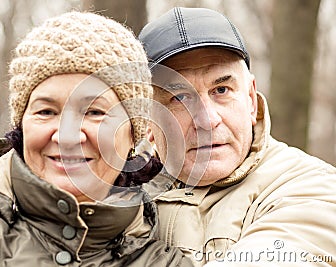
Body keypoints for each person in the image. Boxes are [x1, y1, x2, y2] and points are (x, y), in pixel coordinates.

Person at [0, 11, 193, 266]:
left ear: (132, 135)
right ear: (22, 125)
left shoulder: (164, 263)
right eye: (46, 111)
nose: (67, 136)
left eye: (94, 112)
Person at [139, 7, 336, 266]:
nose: (208, 120)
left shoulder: (310, 188)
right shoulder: (115, 199)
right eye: (180, 98)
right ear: (146, 121)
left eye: (221, 89)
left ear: (251, 100)